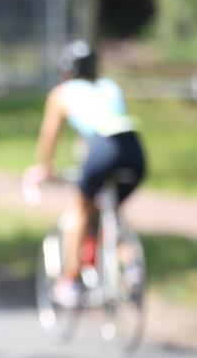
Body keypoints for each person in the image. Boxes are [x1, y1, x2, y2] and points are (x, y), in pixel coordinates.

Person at [26, 40, 147, 309]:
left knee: (80, 206)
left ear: (65, 71)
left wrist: (45, 167)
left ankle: (69, 281)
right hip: (134, 150)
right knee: (111, 211)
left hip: (103, 148)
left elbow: (50, 137)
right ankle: (130, 268)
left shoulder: (62, 93)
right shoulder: (110, 87)